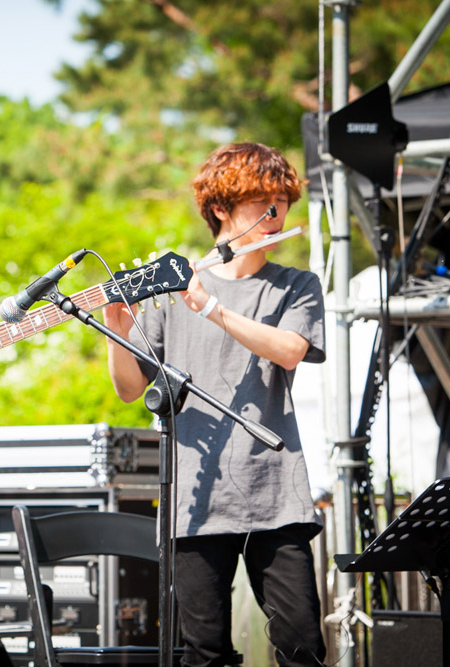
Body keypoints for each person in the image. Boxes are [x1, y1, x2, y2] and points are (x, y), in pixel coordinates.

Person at [104, 142, 327, 666]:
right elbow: (130, 389)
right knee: (204, 654)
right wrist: (117, 332)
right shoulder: (172, 288)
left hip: (277, 493)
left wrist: (211, 308)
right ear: (221, 209)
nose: (276, 216)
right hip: (195, 497)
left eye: (282, 204)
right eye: (262, 205)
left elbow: (289, 350)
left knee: (303, 645)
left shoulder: (296, 285)